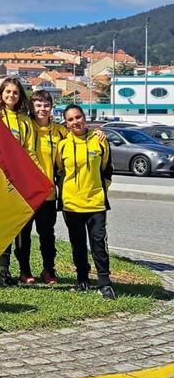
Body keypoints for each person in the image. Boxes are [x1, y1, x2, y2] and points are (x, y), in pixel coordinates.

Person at [55, 104, 115, 300]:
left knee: (99, 243)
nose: (75, 122)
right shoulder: (62, 145)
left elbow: (107, 170)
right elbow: (59, 172)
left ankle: (105, 283)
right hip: (71, 204)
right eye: (70, 119)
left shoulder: (100, 141)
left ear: (84, 118)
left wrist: (99, 190)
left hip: (96, 204)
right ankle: (82, 279)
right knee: (77, 243)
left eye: (78, 117)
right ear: (66, 123)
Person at [15, 90, 71, 284]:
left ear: (51, 108)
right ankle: (25, 271)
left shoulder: (60, 131)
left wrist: (97, 133)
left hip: (48, 194)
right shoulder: (24, 125)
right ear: (32, 106)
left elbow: (79, 138)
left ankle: (49, 270)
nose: (42, 109)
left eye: (46, 105)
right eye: (38, 105)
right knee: (23, 234)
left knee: (47, 234)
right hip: (25, 193)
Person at [0, 76, 37, 286]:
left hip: (18, 183)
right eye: (8, 91)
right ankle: (3, 270)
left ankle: (24, 269)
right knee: (2, 228)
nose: (11, 95)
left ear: (20, 97)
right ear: (1, 93)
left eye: (15, 93)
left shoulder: (25, 121)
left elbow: (29, 151)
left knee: (20, 228)